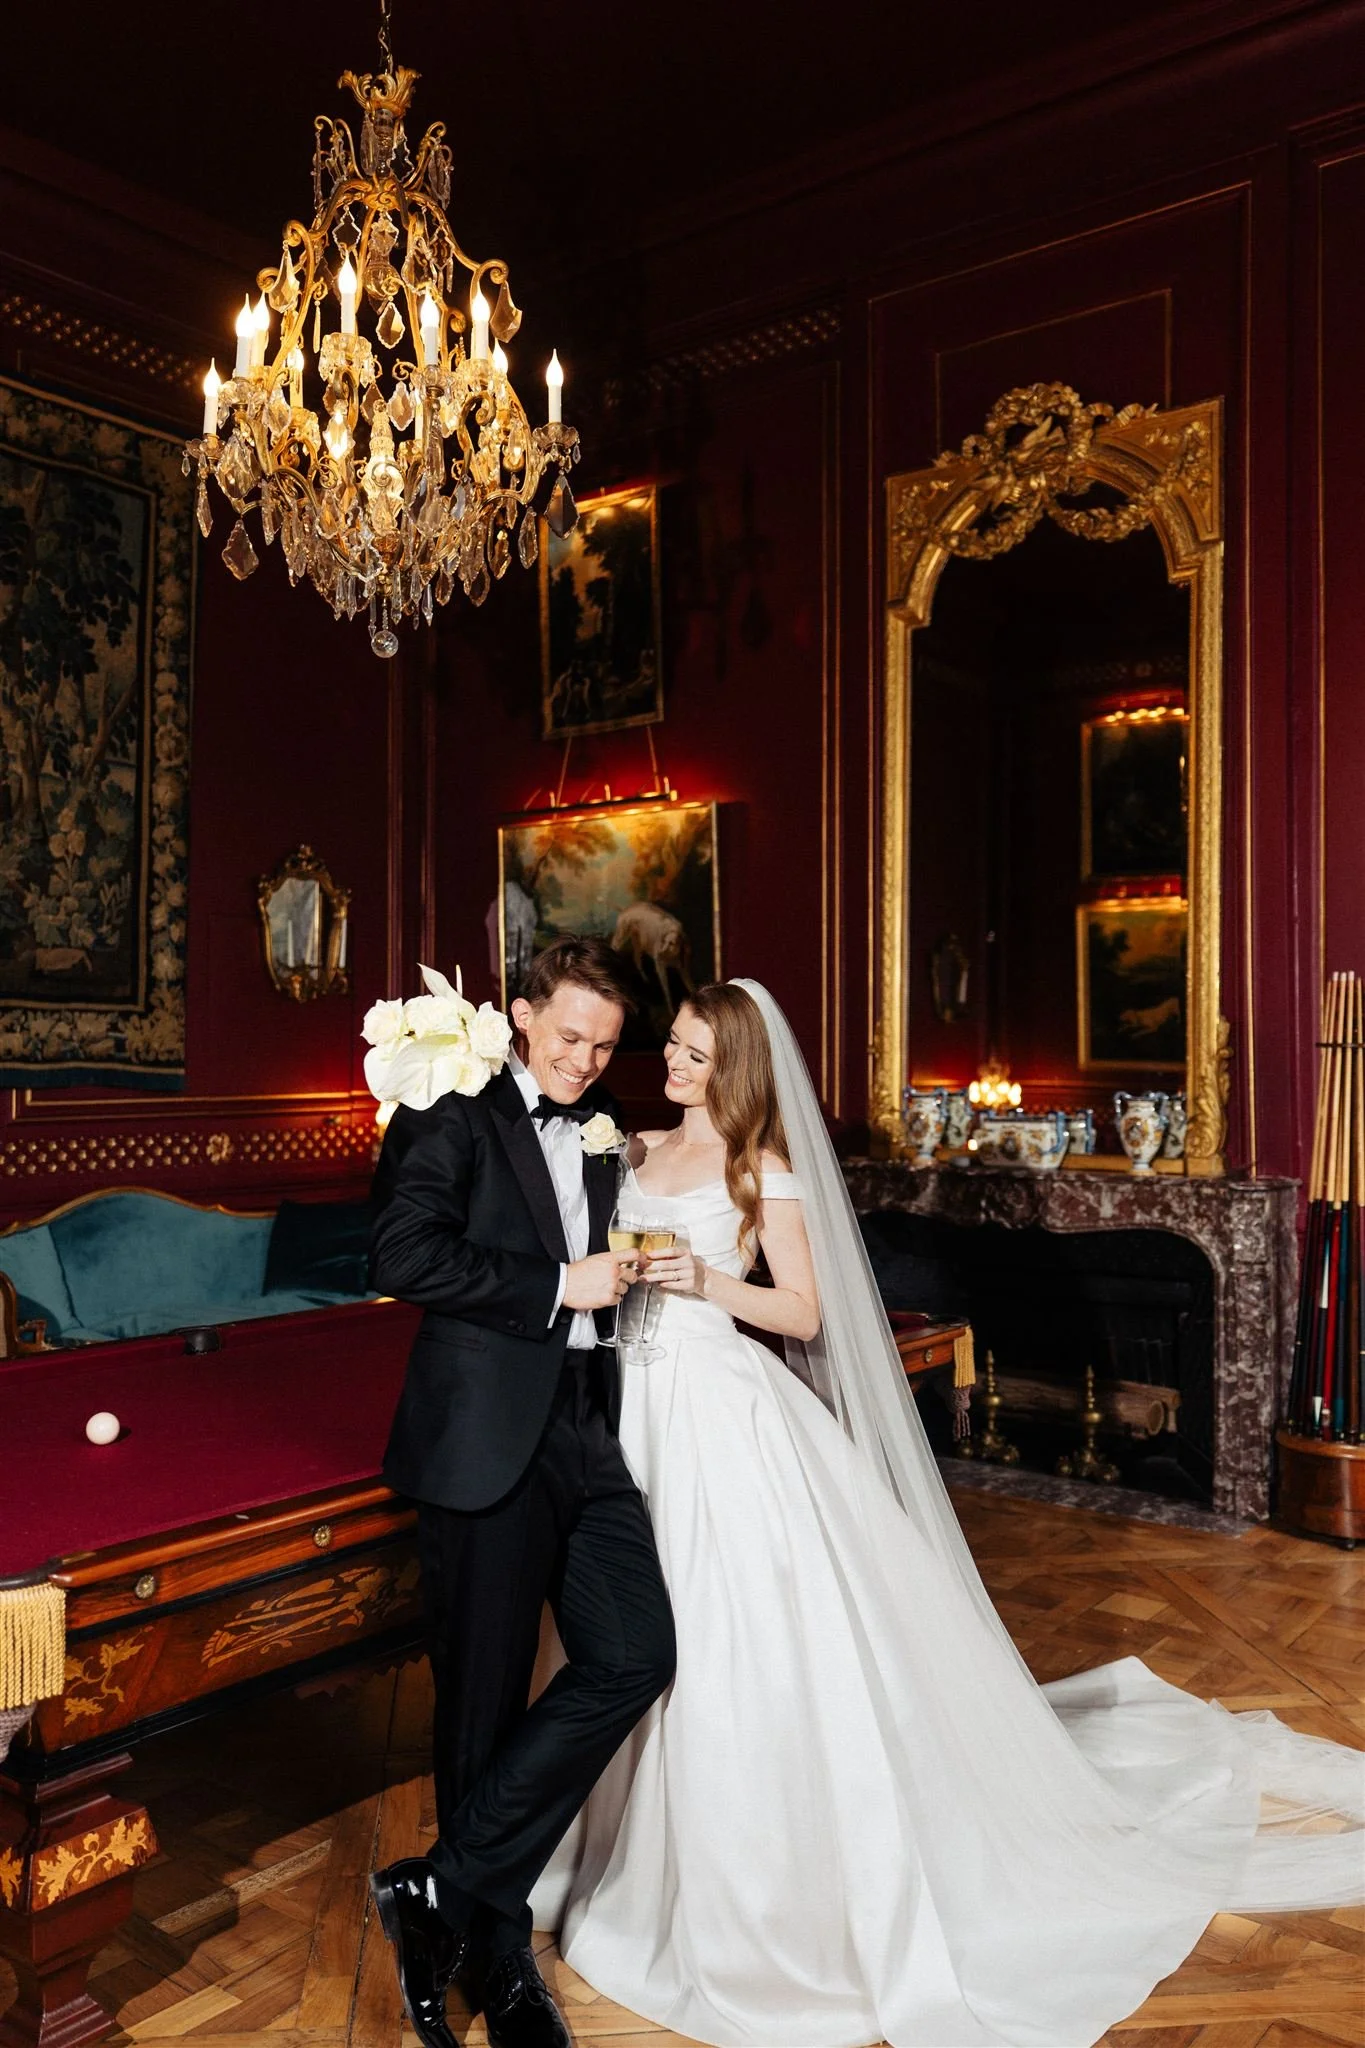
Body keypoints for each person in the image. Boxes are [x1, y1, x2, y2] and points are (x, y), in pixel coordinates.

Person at [532, 979, 1365, 2048]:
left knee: (728, 1638)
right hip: (623, 1413)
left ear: (737, 1067)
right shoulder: (633, 1148)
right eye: (677, 1049)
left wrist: (704, 1278)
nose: (674, 1065)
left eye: (695, 1053)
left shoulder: (765, 1171)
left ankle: (737, 1888)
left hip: (717, 1407)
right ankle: (585, 1842)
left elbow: (804, 1311)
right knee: (615, 1629)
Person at [367, 937, 676, 2048]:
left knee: (638, 1651)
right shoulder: (452, 1105)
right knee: (481, 1706)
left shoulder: (599, 1123)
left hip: (590, 1432)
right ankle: (497, 1956)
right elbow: (398, 1251)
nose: (589, 1061)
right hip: (482, 1440)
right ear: (519, 1013)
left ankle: (438, 1888)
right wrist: (557, 1284)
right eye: (569, 1036)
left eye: (604, 1044)